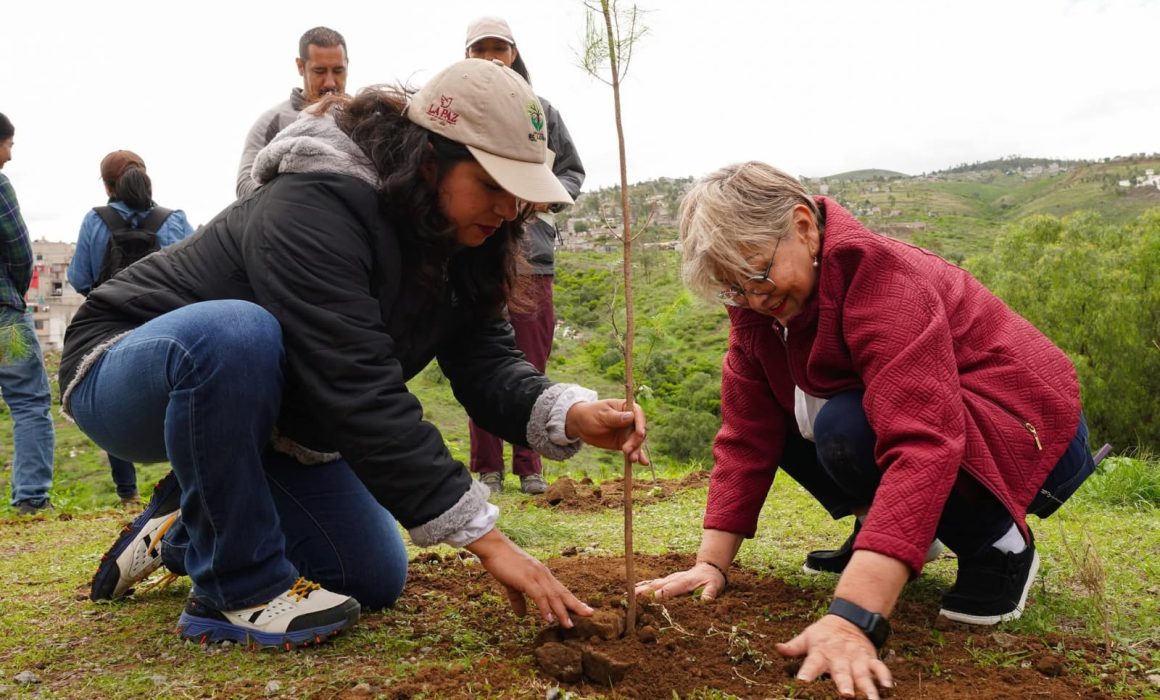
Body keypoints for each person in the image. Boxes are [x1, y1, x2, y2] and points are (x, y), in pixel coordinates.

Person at [63, 59, 647, 650]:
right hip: (128, 365)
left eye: (519, 194)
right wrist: (490, 543)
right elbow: (356, 386)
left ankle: (187, 522)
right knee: (237, 332)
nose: (507, 210)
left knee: (367, 572)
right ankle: (234, 590)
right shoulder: (316, 203)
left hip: (264, 420)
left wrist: (570, 412)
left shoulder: (463, 239)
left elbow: (486, 363)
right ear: (429, 160)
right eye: (492, 185)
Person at [636, 162, 1096, 700]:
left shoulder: (886, 283)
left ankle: (998, 541)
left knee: (846, 424)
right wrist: (709, 564)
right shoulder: (758, 318)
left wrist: (854, 617)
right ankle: (893, 533)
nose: (755, 297)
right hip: (930, 420)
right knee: (790, 415)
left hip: (1023, 430)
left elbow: (922, 440)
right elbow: (745, 438)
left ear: (804, 227)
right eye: (733, 288)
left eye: (758, 273)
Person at [462, 16, 586, 495]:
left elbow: (572, 172)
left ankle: (530, 467)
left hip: (530, 255)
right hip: (476, 254)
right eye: (481, 49)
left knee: (531, 361)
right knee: (477, 354)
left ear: (514, 53)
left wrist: (544, 197)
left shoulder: (543, 112)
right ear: (467, 56)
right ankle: (486, 468)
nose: (492, 56)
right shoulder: (461, 115)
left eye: (500, 47)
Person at [67, 150, 195, 506]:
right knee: (181, 401)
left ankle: (128, 495)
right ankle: (185, 483)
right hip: (169, 324)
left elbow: (80, 278)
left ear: (108, 186)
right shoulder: (174, 219)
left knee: (110, 395)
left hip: (113, 325)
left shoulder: (95, 220)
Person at [0, 113, 56, 517]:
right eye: (9, 145)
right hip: (3, 318)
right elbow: (20, 248)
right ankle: (31, 499)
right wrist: (14, 295)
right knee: (29, 402)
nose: (8, 156)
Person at [235, 26, 349, 198]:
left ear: (348, 65)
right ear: (300, 66)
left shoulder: (367, 120)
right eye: (320, 71)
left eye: (338, 71)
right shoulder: (272, 122)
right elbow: (245, 185)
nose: (330, 83)